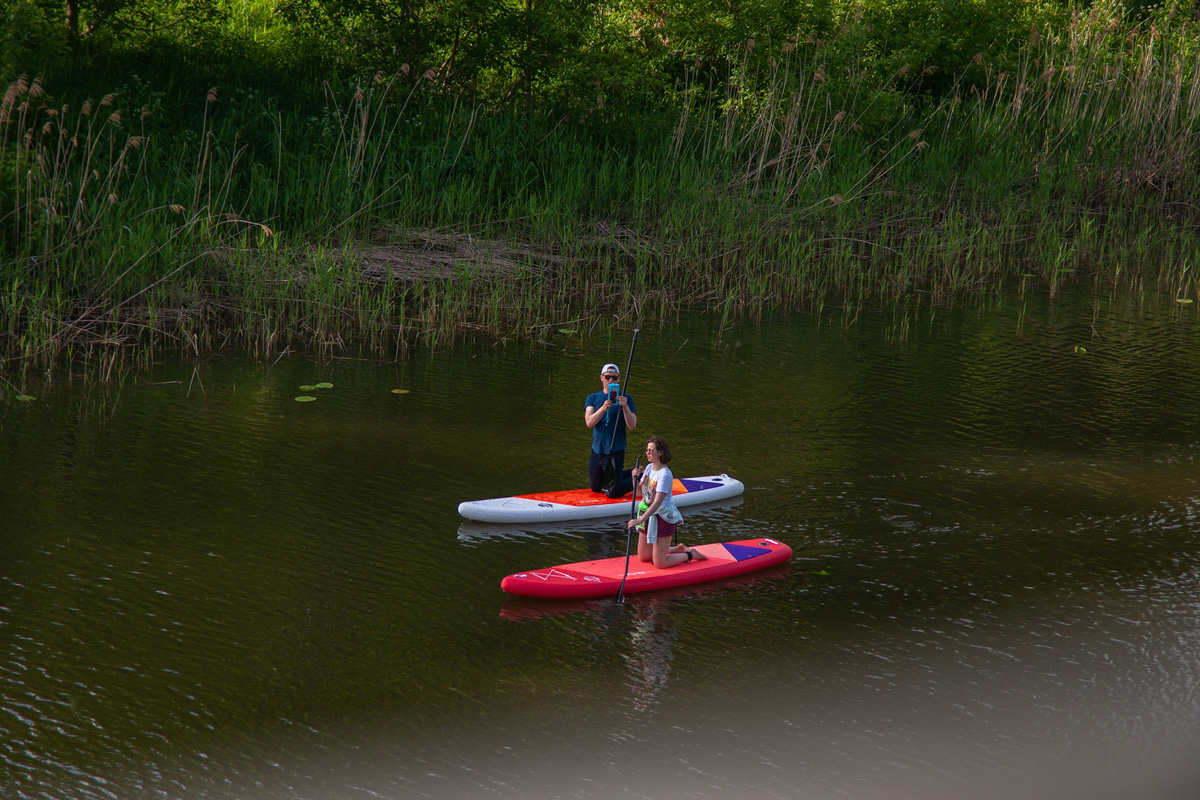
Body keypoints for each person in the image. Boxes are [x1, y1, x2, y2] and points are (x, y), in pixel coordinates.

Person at [627, 436, 707, 568]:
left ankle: (690, 554)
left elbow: (657, 503)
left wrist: (640, 520)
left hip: (663, 516)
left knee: (660, 563)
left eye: (651, 450)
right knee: (644, 557)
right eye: (647, 450)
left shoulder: (664, 475)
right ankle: (677, 549)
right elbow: (639, 493)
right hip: (648, 513)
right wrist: (634, 478)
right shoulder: (648, 468)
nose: (648, 453)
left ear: (660, 453)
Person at [585, 362, 638, 497]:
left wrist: (625, 407)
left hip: (615, 451)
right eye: (607, 377)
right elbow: (589, 422)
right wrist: (603, 409)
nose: (610, 381)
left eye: (614, 378)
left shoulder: (627, 399)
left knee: (612, 494)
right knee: (596, 488)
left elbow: (632, 426)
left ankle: (641, 475)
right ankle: (632, 472)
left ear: (618, 379)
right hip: (597, 451)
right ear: (601, 378)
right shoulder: (592, 398)